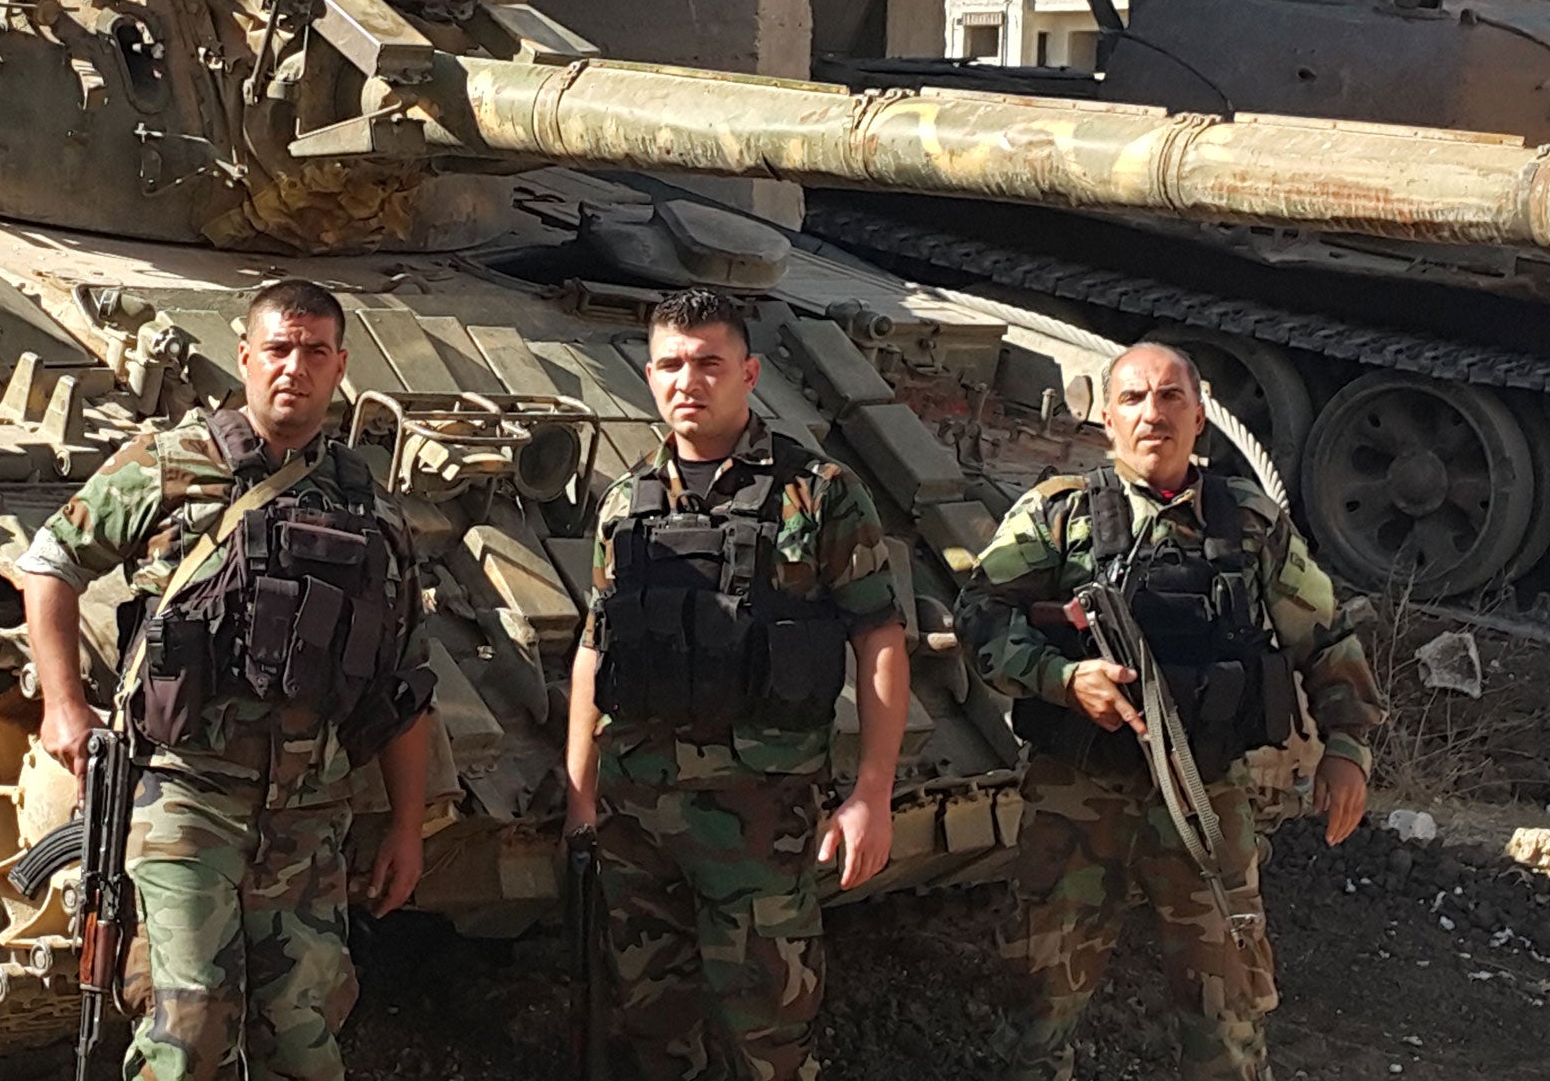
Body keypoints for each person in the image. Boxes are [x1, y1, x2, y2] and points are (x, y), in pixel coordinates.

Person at [17, 279, 434, 1081]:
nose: (294, 368)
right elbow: (51, 560)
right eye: (278, 348)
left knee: (302, 1035)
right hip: (183, 796)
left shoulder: (370, 510)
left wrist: (408, 829)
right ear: (245, 356)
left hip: (308, 813)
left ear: (341, 366)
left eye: (315, 352)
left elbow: (400, 686)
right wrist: (63, 703)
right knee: (192, 1022)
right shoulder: (173, 464)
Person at [956, 341, 1386, 1081]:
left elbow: (1325, 633)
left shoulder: (1249, 525)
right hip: (1078, 795)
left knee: (1229, 1006)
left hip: (1208, 797)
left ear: (1199, 412)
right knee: (1037, 998)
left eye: (1168, 398)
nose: (1151, 414)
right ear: (1106, 418)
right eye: (1132, 399)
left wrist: (1348, 747)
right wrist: (1062, 677)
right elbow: (980, 617)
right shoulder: (1059, 515)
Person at [564, 288, 911, 1081]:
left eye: (709, 363)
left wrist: (873, 792)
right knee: (650, 1025)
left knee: (769, 1035)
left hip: (761, 819)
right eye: (671, 365)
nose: (690, 381)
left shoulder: (818, 493)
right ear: (649, 377)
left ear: (749, 373)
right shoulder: (626, 502)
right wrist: (581, 794)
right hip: (637, 813)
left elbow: (879, 637)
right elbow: (595, 646)